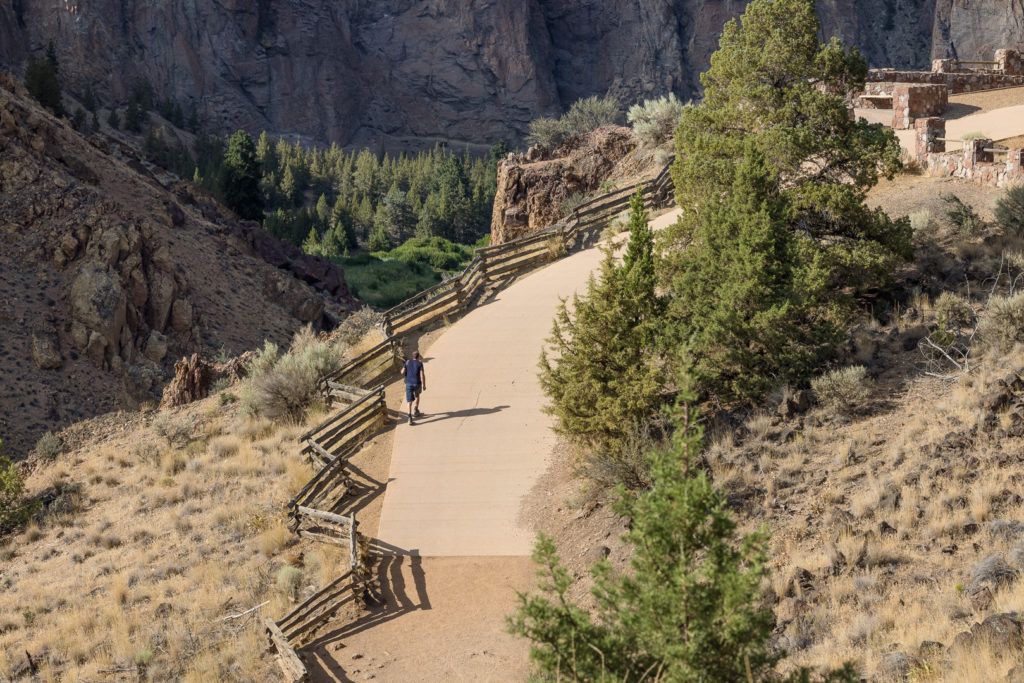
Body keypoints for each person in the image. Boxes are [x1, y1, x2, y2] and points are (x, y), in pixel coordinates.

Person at [401, 351, 426, 424]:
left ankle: (410, 417)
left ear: (412, 356)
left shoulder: (408, 362)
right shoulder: (420, 363)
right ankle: (416, 410)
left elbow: (402, 372)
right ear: (418, 356)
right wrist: (424, 385)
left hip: (408, 383)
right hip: (417, 383)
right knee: (417, 395)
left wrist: (405, 368)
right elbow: (422, 375)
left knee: (409, 401)